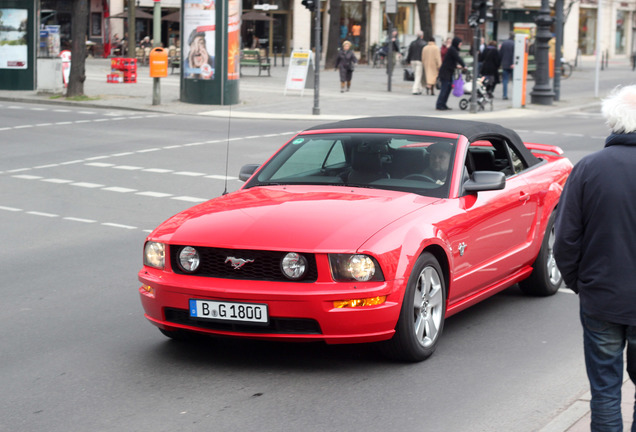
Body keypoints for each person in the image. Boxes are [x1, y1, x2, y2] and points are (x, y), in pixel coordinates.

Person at [553, 85, 636, 432]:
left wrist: (579, 284)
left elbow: (565, 240)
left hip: (602, 298)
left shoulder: (588, 169)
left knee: (604, 391)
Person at [436, 37, 465, 111]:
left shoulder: (453, 50)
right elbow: (458, 58)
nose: (460, 45)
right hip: (445, 72)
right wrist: (464, 65)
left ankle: (443, 104)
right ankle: (439, 104)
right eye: (460, 44)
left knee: (448, 89)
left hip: (449, 72)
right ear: (457, 43)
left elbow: (451, 61)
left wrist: (457, 66)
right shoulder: (452, 50)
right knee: (444, 89)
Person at [406, 31, 426, 95]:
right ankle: (414, 89)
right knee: (418, 75)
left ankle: (419, 89)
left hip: (413, 60)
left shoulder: (412, 43)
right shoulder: (424, 43)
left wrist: (408, 60)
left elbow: (409, 52)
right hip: (419, 61)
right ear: (422, 36)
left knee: (416, 75)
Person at [499, 33, 515, 100]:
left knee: (505, 80)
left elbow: (500, 54)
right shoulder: (514, 43)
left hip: (505, 64)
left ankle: (504, 95)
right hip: (513, 65)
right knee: (515, 81)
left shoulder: (504, 43)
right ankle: (515, 95)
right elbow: (515, 54)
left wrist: (500, 63)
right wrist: (513, 63)